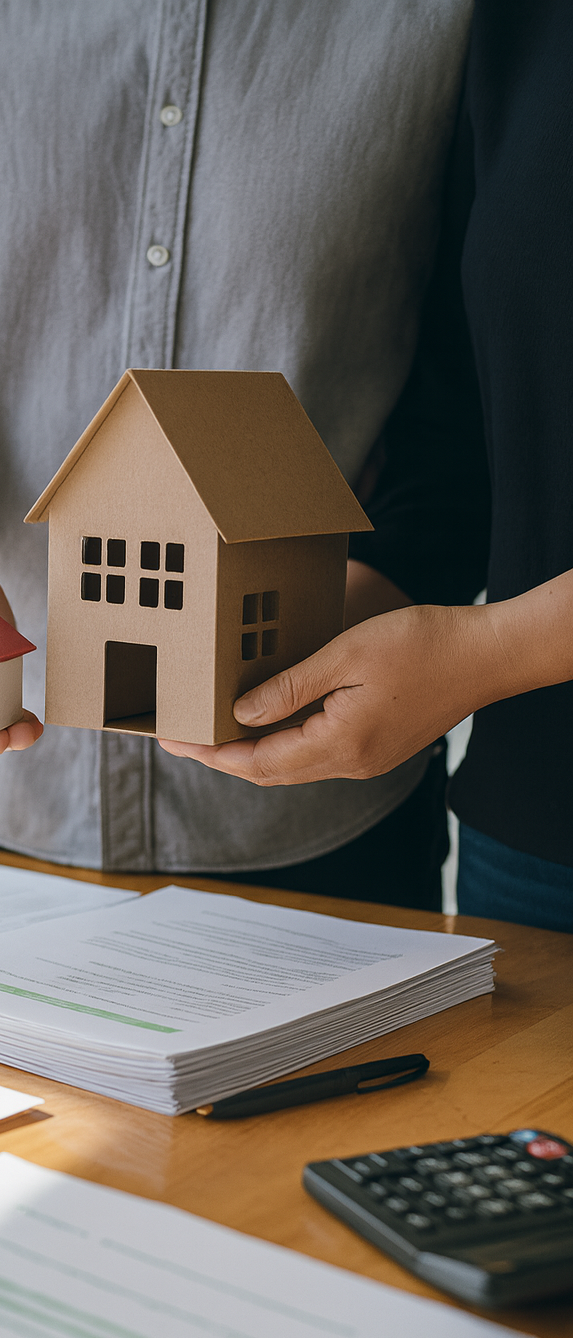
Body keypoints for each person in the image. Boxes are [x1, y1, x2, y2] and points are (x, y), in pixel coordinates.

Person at [0, 0, 475, 908]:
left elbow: (482, 379)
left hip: (327, 805)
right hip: (0, 814)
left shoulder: (444, 19)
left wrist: (363, 594)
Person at [165, 0, 573, 931]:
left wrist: (488, 653)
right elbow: (471, 408)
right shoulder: (520, 22)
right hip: (531, 829)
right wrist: (347, 599)